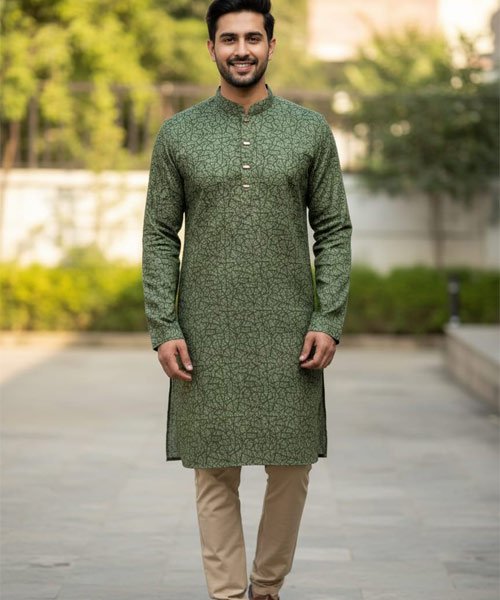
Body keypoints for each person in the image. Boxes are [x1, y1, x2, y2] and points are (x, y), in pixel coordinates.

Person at [142, 1, 352, 598]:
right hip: (205, 331)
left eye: (252, 38)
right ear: (211, 47)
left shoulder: (309, 131)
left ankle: (267, 587)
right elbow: (159, 234)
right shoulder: (179, 134)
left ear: (270, 46)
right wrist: (164, 325)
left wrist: (328, 317)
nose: (241, 49)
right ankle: (229, 594)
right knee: (213, 471)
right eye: (229, 38)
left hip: (291, 330)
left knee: (291, 466)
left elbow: (333, 230)